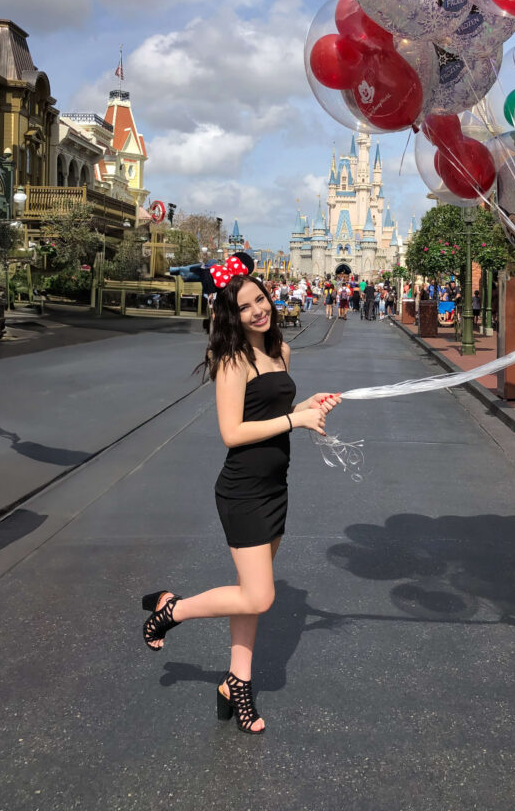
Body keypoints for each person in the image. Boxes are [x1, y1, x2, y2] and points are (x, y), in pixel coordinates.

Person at [140, 263, 341, 733]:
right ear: (231, 316)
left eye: (260, 300)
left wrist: (304, 406)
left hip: (276, 487)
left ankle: (237, 684)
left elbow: (272, 410)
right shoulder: (231, 361)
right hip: (243, 490)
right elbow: (232, 433)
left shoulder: (281, 351)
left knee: (249, 601)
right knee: (259, 595)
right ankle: (172, 609)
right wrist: (295, 423)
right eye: (244, 307)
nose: (257, 311)